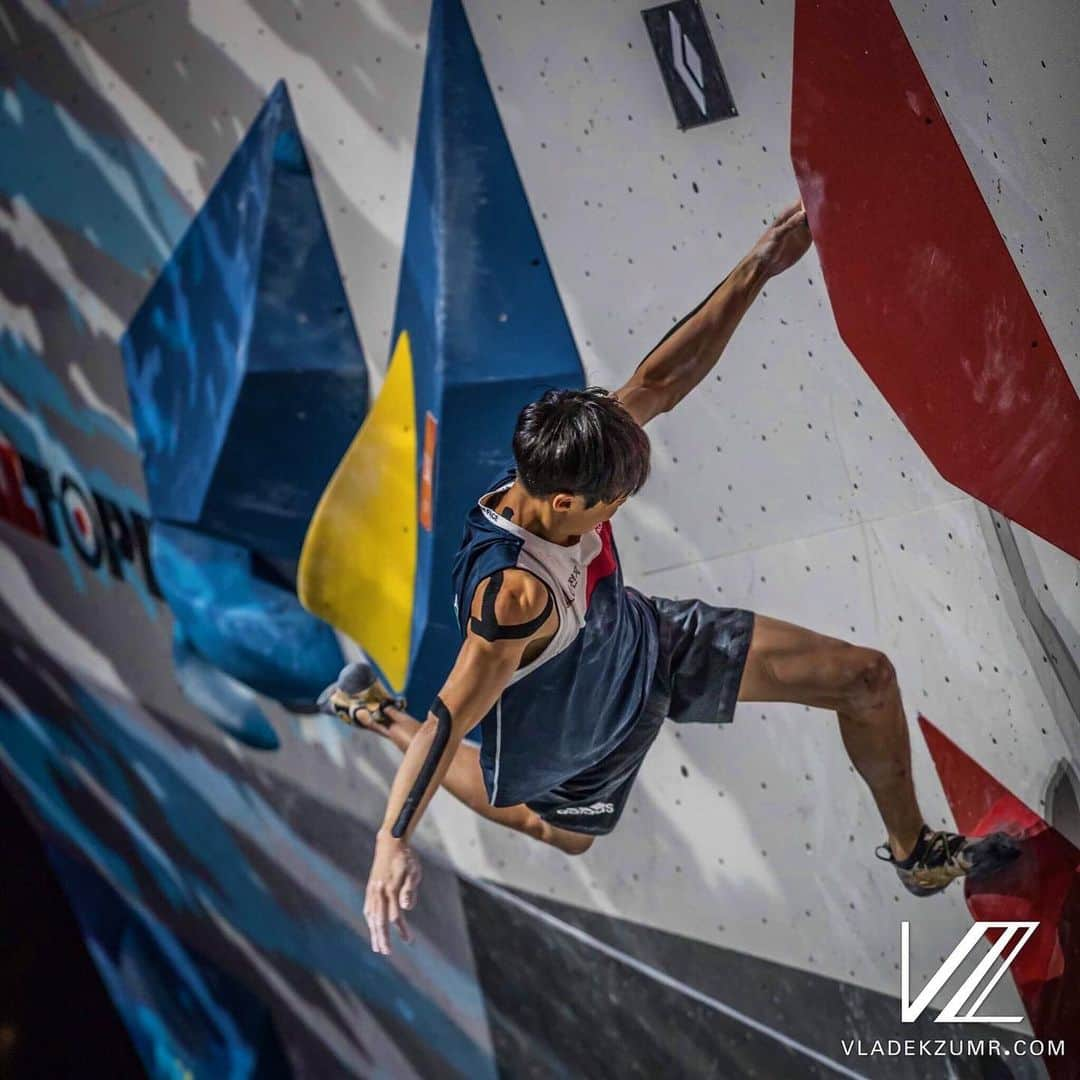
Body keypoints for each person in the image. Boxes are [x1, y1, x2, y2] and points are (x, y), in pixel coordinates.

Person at [322, 201, 1015, 957]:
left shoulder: (575, 452)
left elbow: (661, 378)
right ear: (563, 503)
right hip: (580, 721)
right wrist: (392, 841)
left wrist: (760, 264)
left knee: (864, 679)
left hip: (647, 639)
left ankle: (915, 855)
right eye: (617, 504)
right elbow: (452, 716)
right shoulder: (511, 597)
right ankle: (373, 712)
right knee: (549, 825)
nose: (624, 508)